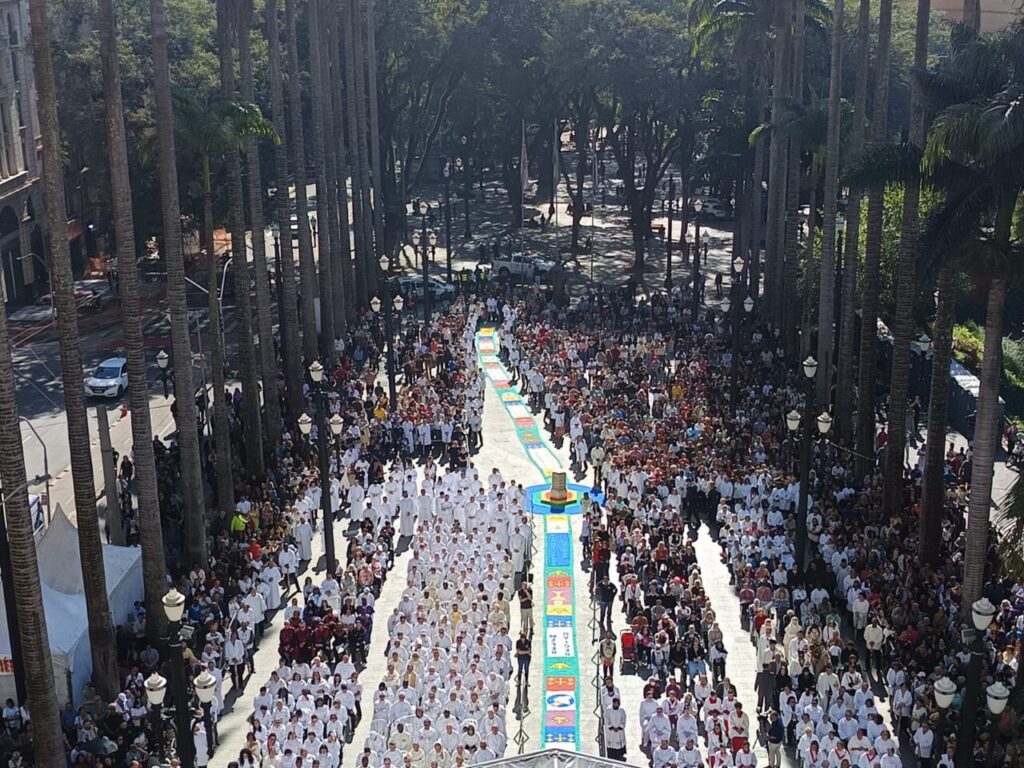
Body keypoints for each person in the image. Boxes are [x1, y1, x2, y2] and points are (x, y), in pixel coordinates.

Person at [604, 697, 627, 761]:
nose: (616, 705)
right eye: (615, 703)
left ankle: (619, 755)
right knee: (611, 744)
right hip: (611, 731)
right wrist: (612, 727)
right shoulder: (608, 710)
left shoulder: (621, 710)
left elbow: (624, 719)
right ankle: (611, 756)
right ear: (613, 703)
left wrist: (619, 727)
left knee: (619, 745)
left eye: (617, 703)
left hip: (619, 731)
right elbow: (606, 719)